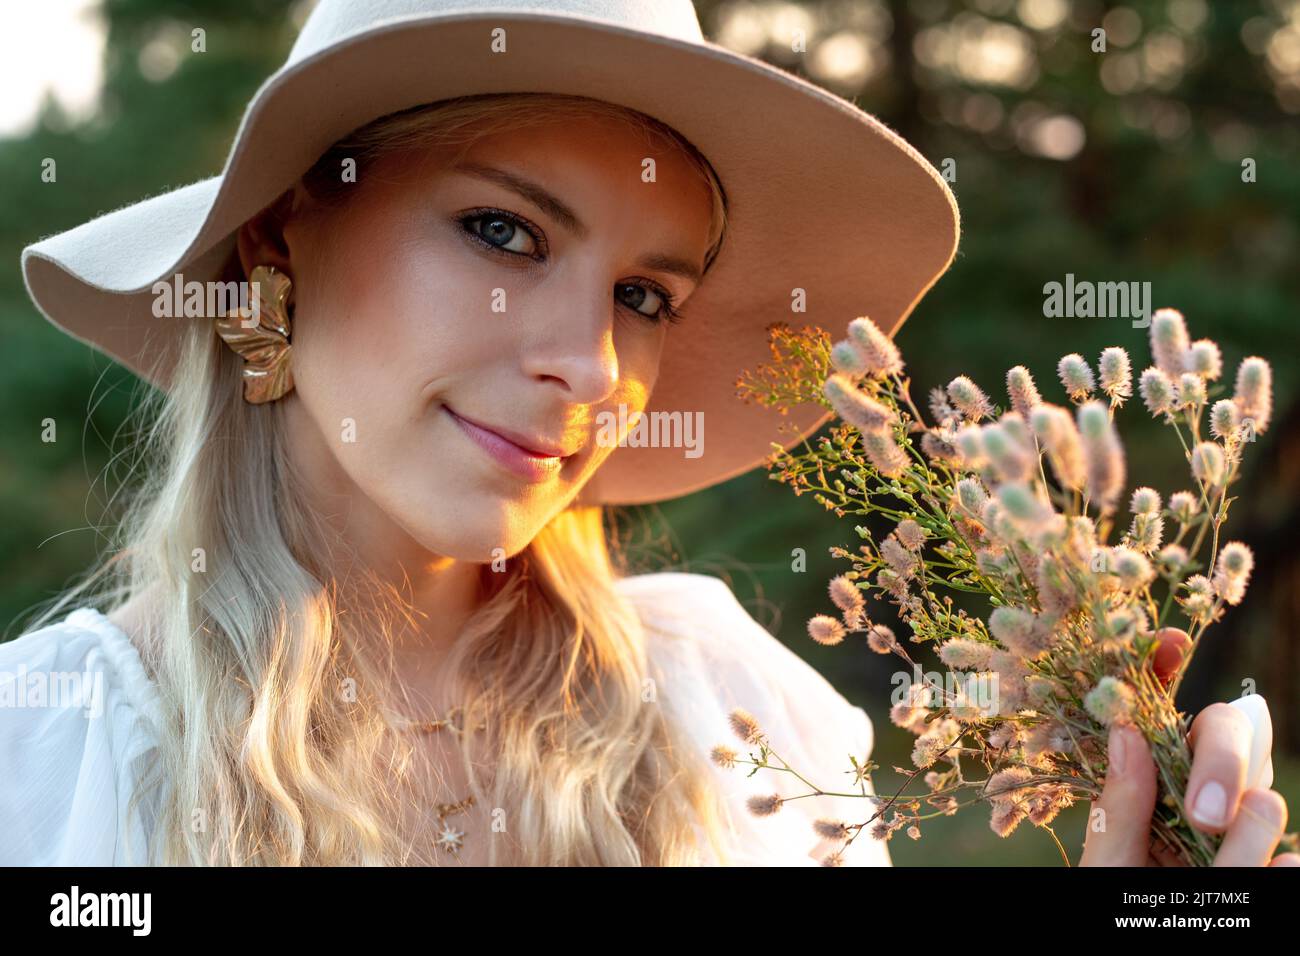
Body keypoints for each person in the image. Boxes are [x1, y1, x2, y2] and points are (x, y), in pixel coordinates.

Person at [4, 0, 1291, 867]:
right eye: (504, 232)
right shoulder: (42, 771)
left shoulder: (730, 718)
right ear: (278, 240)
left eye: (645, 297)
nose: (591, 363)